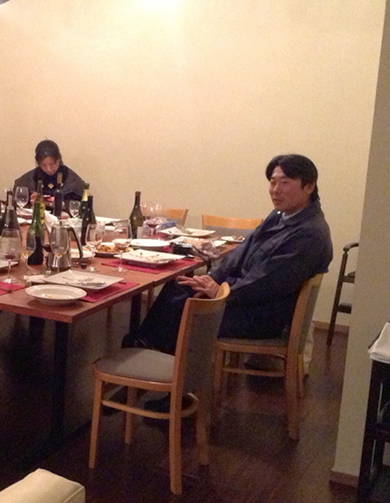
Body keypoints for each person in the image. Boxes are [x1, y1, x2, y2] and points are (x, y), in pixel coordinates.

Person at [126, 154, 333, 359]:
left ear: (309, 186)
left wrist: (221, 292)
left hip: (260, 314)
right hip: (244, 298)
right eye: (272, 182)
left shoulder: (309, 233)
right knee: (179, 285)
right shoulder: (280, 215)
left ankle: (165, 365)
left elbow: (267, 282)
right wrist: (212, 279)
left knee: (185, 307)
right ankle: (147, 347)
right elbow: (241, 251)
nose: (275, 190)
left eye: (285, 183)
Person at [13, 139, 86, 206]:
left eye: (52, 164)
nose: (48, 169)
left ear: (58, 160)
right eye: (43, 165)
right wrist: (31, 202)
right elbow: (17, 202)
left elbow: (80, 207)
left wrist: (61, 204)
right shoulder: (31, 178)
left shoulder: (72, 180)